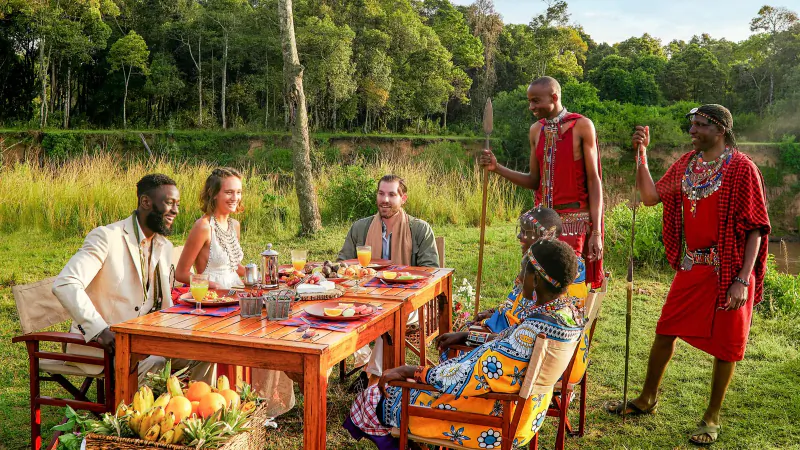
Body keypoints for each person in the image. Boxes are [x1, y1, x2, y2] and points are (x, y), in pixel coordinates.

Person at [605, 105, 770, 446]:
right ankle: (646, 399)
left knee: (726, 346)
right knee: (665, 331)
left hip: (730, 270)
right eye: (691, 125)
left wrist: (742, 278)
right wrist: (642, 156)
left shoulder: (742, 168)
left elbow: (755, 228)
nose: (692, 131)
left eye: (699, 125)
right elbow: (651, 197)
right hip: (693, 265)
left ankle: (712, 417)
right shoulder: (687, 164)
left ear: (720, 129)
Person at [344, 239, 585, 450]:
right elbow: (505, 343)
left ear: (535, 279)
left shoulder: (530, 333)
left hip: (494, 421)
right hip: (527, 415)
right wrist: (468, 337)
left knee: (373, 398)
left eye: (523, 270)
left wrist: (411, 371)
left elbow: (464, 377)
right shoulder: (565, 316)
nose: (519, 277)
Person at [52, 174, 212, 384]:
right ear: (146, 202)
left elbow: (161, 303)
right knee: (156, 362)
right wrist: (100, 330)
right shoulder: (106, 237)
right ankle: (135, 414)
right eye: (169, 203)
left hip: (146, 340)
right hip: (104, 343)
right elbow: (66, 283)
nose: (176, 211)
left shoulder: (164, 246)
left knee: (207, 353)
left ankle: (197, 412)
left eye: (178, 204)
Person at [176, 167, 295, 417]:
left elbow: (233, 265)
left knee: (273, 328)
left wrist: (258, 276)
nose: (235, 197)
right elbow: (181, 273)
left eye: (238, 192)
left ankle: (262, 403)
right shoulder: (203, 226)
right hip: (214, 302)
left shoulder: (234, 225)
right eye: (228, 192)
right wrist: (210, 285)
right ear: (214, 194)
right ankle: (227, 403)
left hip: (237, 294)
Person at [479, 76, 604, 289]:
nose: (531, 107)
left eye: (536, 101)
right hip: (541, 223)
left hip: (574, 224)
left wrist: (596, 232)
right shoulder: (536, 130)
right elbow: (533, 181)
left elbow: (594, 181)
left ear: (554, 97)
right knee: (536, 288)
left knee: (569, 290)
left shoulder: (582, 126)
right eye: (530, 101)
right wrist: (497, 168)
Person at [337, 174, 439, 391]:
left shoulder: (419, 230)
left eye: (392, 194)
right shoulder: (360, 228)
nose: (385, 199)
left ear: (403, 199)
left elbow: (431, 273)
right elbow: (342, 265)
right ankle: (364, 363)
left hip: (408, 301)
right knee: (344, 312)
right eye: (381, 193)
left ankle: (371, 379)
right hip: (365, 295)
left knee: (390, 319)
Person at [472, 206, 588, 335]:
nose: (519, 236)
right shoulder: (548, 260)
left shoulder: (554, 268)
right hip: (528, 336)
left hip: (529, 340)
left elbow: (528, 321)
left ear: (545, 235)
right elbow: (519, 305)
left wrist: (489, 325)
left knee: (460, 336)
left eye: (524, 232)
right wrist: (494, 313)